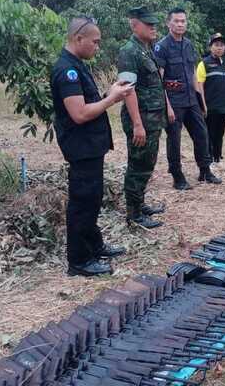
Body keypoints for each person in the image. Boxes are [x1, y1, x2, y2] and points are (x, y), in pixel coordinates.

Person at [50, 17, 133, 277]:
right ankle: (79, 260)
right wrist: (112, 99)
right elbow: (80, 114)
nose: (98, 47)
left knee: (93, 198)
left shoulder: (77, 65)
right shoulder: (67, 71)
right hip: (81, 146)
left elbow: (89, 102)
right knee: (83, 202)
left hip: (91, 145)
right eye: (95, 42)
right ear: (79, 38)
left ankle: (94, 246)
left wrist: (109, 92)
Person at [154, 7, 221, 190]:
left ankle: (205, 170)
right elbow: (159, 79)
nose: (180, 24)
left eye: (183, 21)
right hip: (173, 101)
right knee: (174, 139)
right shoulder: (161, 47)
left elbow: (192, 74)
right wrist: (167, 106)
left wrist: (200, 100)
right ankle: (177, 176)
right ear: (168, 23)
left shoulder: (189, 45)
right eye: (176, 21)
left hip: (191, 100)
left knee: (202, 134)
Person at [118, 6, 172, 230]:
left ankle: (140, 204)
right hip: (141, 121)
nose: (153, 28)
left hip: (153, 119)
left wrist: (167, 108)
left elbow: (157, 84)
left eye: (154, 24)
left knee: (146, 164)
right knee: (138, 166)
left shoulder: (145, 50)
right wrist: (137, 125)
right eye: (148, 24)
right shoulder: (129, 52)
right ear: (134, 25)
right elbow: (127, 90)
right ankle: (134, 214)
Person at [195, 33, 225, 163]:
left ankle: (217, 156)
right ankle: (209, 158)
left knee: (220, 132)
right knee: (209, 133)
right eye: (216, 45)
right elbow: (199, 86)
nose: (219, 48)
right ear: (210, 47)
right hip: (210, 106)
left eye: (222, 45)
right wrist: (203, 105)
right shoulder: (204, 64)